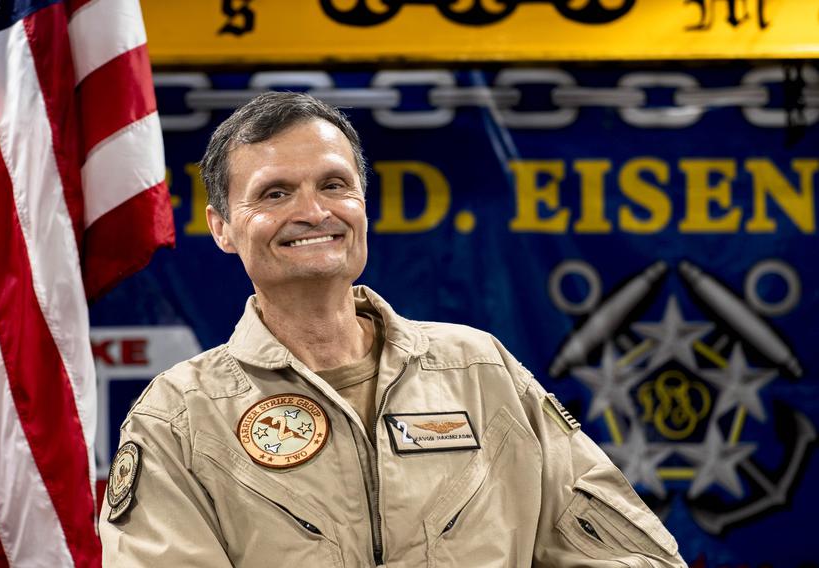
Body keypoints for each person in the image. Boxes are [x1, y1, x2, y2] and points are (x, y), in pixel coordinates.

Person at [99, 91, 687, 567]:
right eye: (275, 193)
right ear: (222, 228)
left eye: (333, 185)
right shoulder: (178, 417)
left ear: (362, 204)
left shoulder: (480, 371)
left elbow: (632, 556)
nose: (313, 212)